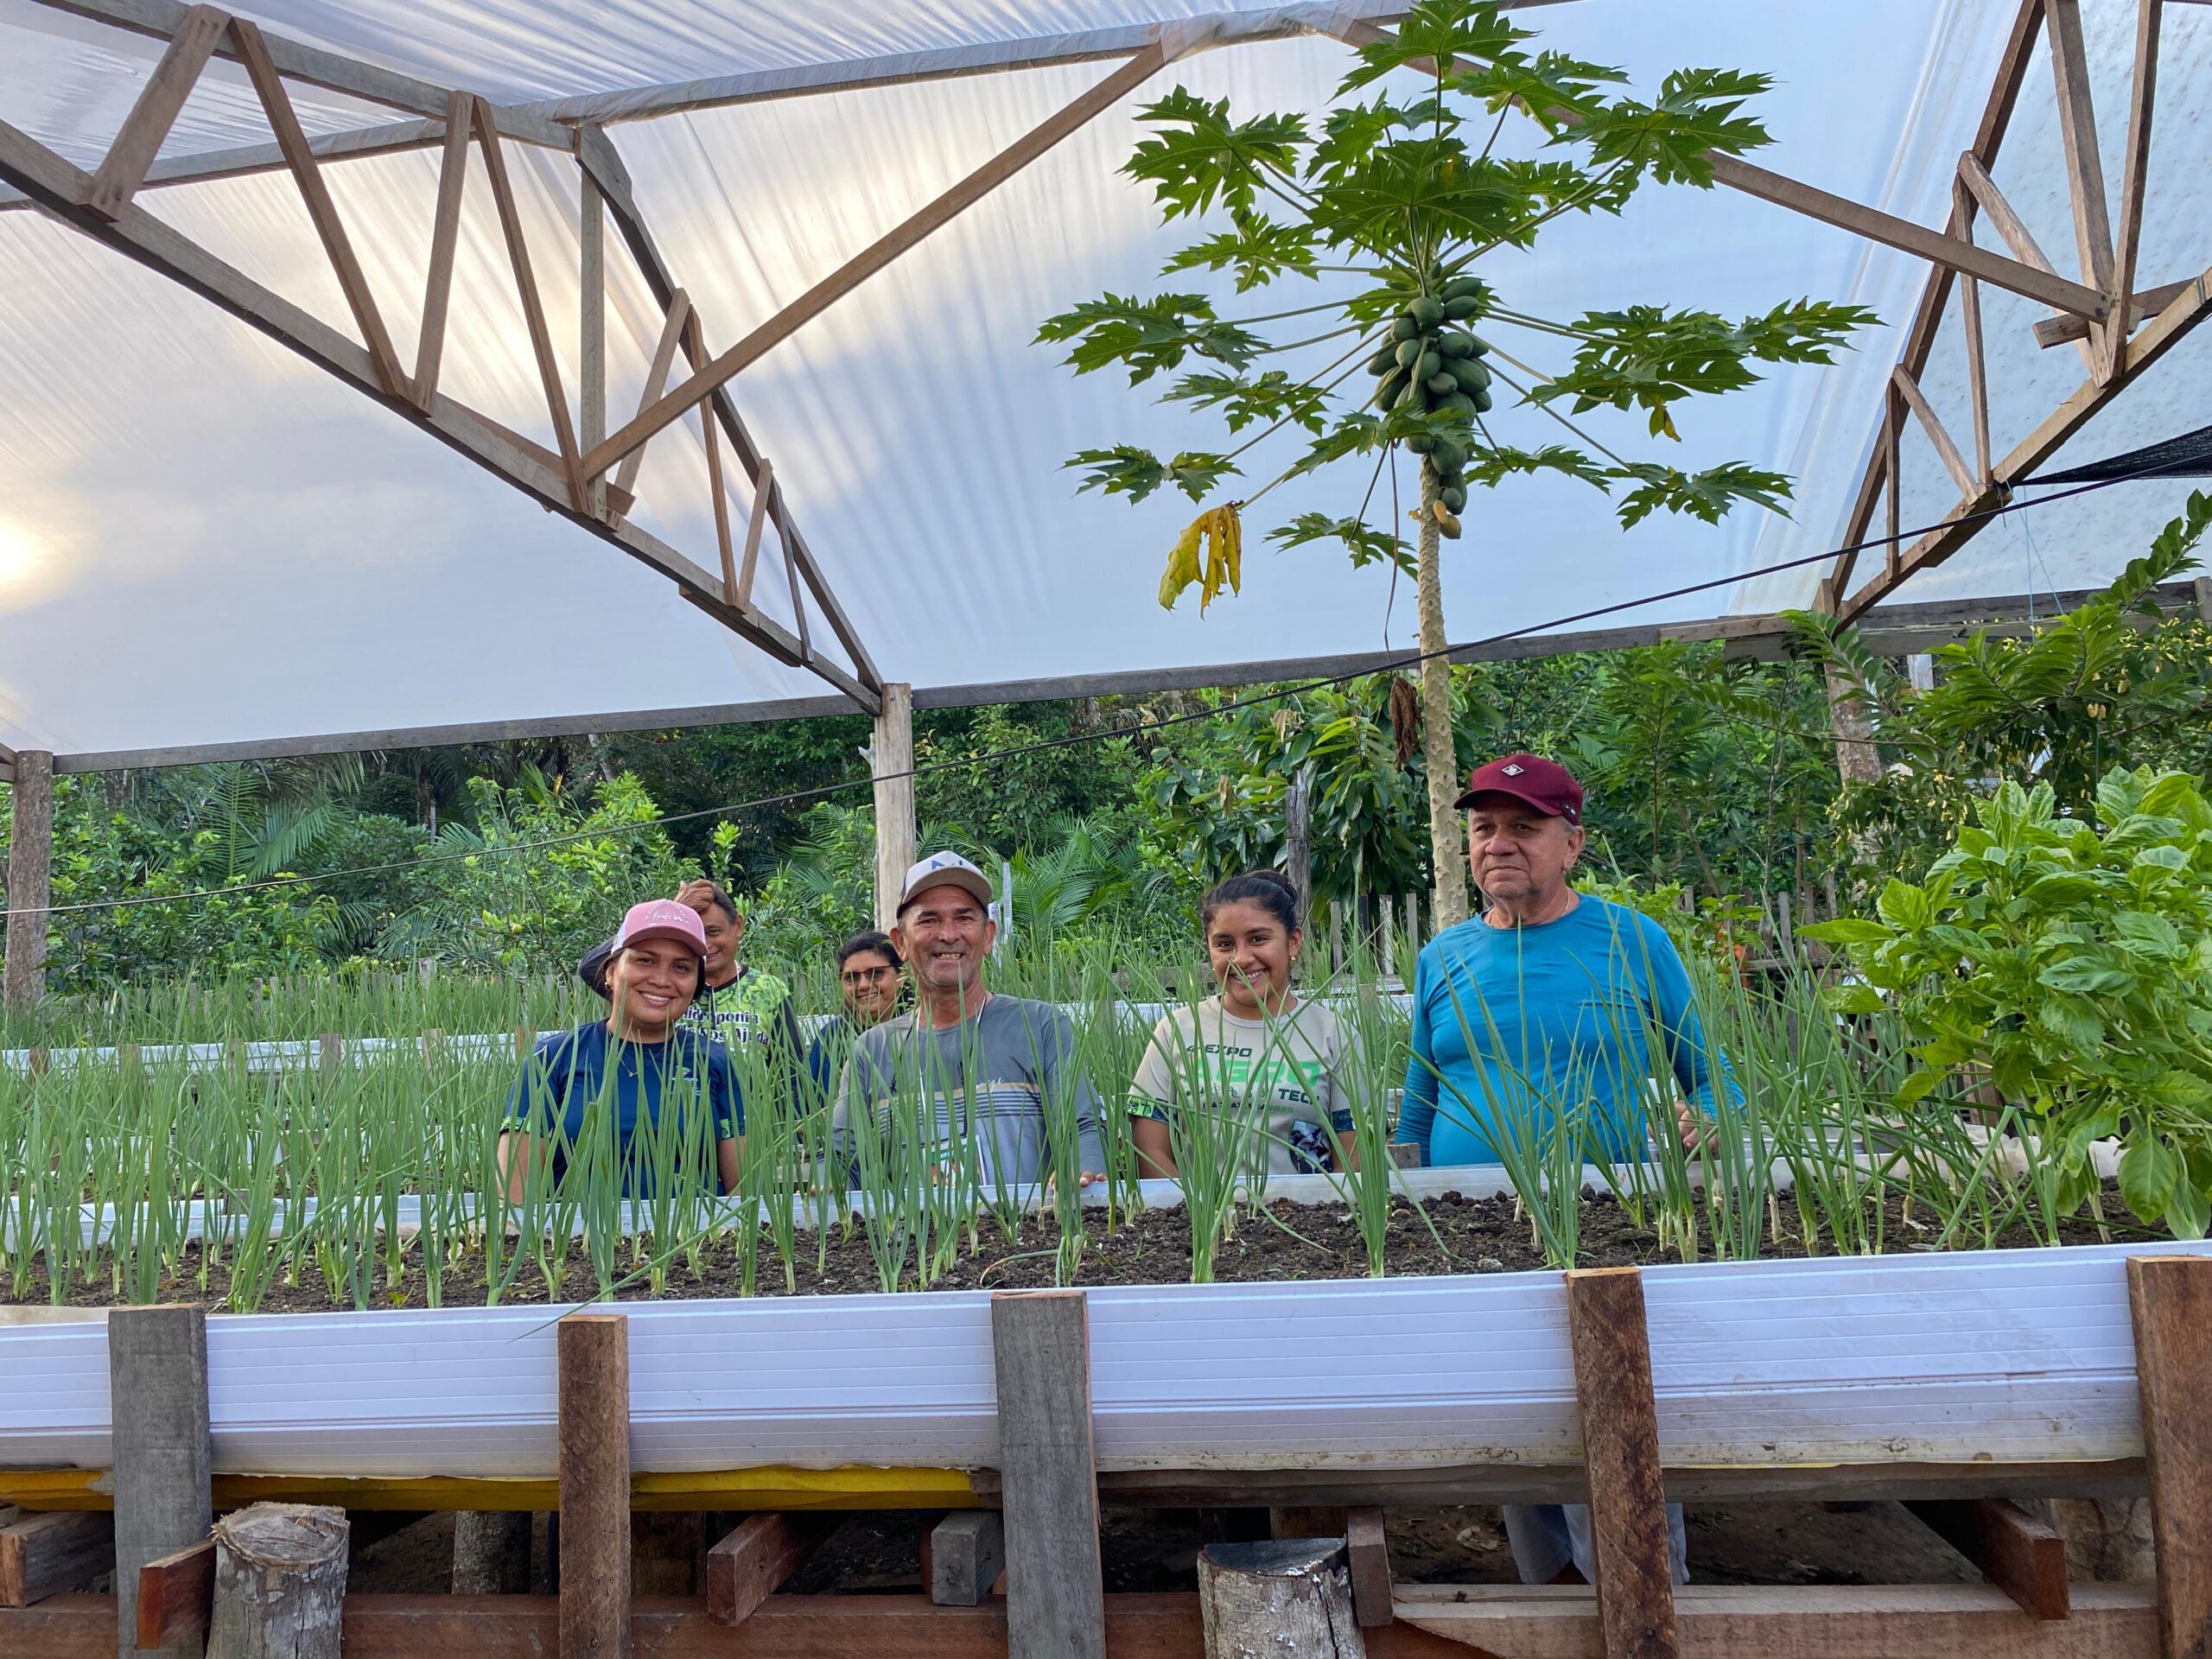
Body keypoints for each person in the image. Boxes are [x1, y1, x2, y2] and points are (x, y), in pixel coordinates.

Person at [1395, 752, 1728, 1588]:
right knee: (1513, 1419)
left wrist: (1712, 1117)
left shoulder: (1629, 938)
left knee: (1612, 1422)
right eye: (1483, 829)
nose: (1498, 845)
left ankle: (1645, 1596)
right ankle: (1552, 1601)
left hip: (1604, 1228)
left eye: (1523, 828)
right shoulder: (1444, 956)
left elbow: (1711, 1074)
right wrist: (1399, 1210)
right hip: (1471, 1234)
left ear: (1571, 844)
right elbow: (1416, 1105)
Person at [836, 851, 1104, 1190]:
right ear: (900, 943)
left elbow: (1083, 1127)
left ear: (988, 935)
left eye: (964, 918)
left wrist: (1083, 1166)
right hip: (913, 1239)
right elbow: (840, 1157)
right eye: (929, 920)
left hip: (1029, 1238)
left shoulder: (1040, 1025)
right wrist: (826, 1181)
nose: (949, 935)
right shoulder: (871, 1052)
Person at [1126, 870, 1363, 1179]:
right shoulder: (1177, 1030)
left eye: (1258, 939)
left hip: (1310, 1218)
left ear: (1293, 941)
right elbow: (1150, 1150)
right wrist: (1197, 1216)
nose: (1241, 958)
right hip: (1201, 1220)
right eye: (1224, 944)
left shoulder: (1333, 1034)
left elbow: (1354, 1156)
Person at [502, 899, 741, 1199]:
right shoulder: (553, 1059)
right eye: (645, 961)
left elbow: (745, 1196)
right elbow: (513, 1200)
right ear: (611, 972)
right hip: (577, 1242)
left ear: (694, 986)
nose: (662, 980)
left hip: (696, 1241)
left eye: (681, 967)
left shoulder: (716, 1062)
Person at [805, 931, 906, 1100]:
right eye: (852, 978)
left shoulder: (920, 1030)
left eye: (876, 973)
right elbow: (806, 1106)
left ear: (901, 975)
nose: (864, 985)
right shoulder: (830, 1038)